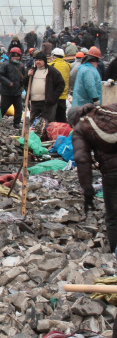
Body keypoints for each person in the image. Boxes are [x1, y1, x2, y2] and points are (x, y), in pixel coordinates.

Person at [71, 103, 117, 251]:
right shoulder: (109, 110)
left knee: (113, 217)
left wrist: (88, 190)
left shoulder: (80, 129)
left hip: (112, 174)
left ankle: (115, 253)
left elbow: (82, 160)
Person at [24, 51, 65, 123]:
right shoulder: (32, 70)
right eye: (36, 60)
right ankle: (33, 134)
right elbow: (24, 83)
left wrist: (54, 97)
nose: (38, 62)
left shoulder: (52, 71)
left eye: (40, 60)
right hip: (34, 102)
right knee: (33, 123)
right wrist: (28, 76)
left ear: (45, 61)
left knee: (47, 124)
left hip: (47, 103)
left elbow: (61, 84)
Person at [0, 47, 26, 129]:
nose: (17, 58)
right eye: (15, 56)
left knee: (19, 109)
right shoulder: (5, 65)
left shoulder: (21, 66)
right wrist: (8, 83)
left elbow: (23, 77)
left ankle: (16, 123)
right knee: (3, 108)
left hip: (17, 91)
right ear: (11, 56)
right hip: (7, 92)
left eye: (18, 56)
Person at [49, 48, 71, 122]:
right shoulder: (68, 65)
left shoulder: (51, 65)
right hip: (64, 95)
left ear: (54, 56)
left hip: (53, 96)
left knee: (52, 117)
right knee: (62, 117)